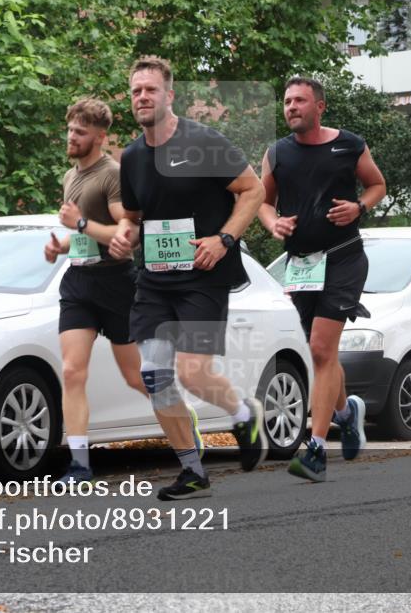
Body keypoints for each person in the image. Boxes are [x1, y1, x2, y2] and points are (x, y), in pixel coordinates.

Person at [108, 56, 267, 500]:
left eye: (150, 90)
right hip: (155, 280)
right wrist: (124, 236)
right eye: (136, 91)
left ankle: (243, 414)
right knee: (155, 376)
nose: (142, 97)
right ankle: (192, 470)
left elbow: (253, 190)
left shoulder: (203, 142)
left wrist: (224, 239)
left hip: (203, 275)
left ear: (169, 95)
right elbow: (134, 217)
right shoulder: (132, 157)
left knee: (193, 374)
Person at [44, 97, 201, 485]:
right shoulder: (70, 177)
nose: (71, 137)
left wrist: (80, 224)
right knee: (72, 371)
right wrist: (62, 245)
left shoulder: (113, 174)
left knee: (137, 377)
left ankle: (186, 428)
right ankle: (79, 464)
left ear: (100, 137)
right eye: (70, 129)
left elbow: (124, 231)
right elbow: (84, 234)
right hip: (78, 282)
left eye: (80, 132)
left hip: (117, 284)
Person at [258, 76, 387, 482]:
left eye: (300, 100)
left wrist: (359, 207)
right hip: (301, 264)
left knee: (319, 348)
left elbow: (377, 184)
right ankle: (347, 413)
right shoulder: (276, 153)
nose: (291, 107)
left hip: (343, 258)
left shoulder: (349, 145)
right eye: (287, 101)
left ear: (320, 107)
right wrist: (273, 223)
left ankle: (315, 449)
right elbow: (262, 202)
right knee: (322, 353)